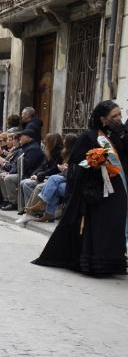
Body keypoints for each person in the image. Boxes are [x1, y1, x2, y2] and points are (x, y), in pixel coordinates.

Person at [34, 101, 127, 275]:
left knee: (114, 225)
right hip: (97, 189)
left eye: (119, 115)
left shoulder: (116, 136)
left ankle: (114, 263)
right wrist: (95, 163)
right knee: (99, 226)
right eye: (113, 116)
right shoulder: (89, 137)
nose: (118, 119)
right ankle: (95, 263)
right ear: (102, 118)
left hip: (117, 189)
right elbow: (76, 163)